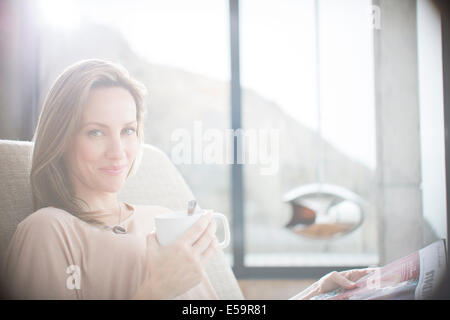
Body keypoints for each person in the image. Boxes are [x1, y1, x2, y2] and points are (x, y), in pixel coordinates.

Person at [1, 59, 372, 300]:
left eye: (128, 131)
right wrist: (156, 290)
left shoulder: (160, 218)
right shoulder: (48, 232)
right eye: (96, 132)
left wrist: (315, 294)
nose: (118, 151)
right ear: (61, 139)